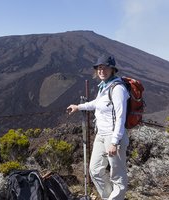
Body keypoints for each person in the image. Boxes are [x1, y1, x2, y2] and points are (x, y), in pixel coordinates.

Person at [67, 55, 130, 200]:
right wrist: (79, 107)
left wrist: (115, 141)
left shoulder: (117, 88)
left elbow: (121, 116)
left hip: (114, 137)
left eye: (105, 67)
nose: (102, 70)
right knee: (94, 170)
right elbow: (97, 103)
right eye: (99, 68)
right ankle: (109, 197)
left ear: (112, 69)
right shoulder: (105, 86)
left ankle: (116, 197)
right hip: (101, 135)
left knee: (117, 174)